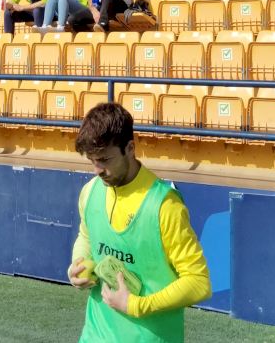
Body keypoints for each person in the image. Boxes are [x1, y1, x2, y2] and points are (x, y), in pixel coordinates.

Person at [67, 103, 211, 342]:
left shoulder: (165, 205)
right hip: (95, 335)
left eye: (104, 159)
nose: (97, 170)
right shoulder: (90, 191)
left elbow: (199, 282)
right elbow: (87, 236)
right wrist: (78, 264)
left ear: (130, 148)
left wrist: (136, 305)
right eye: (92, 160)